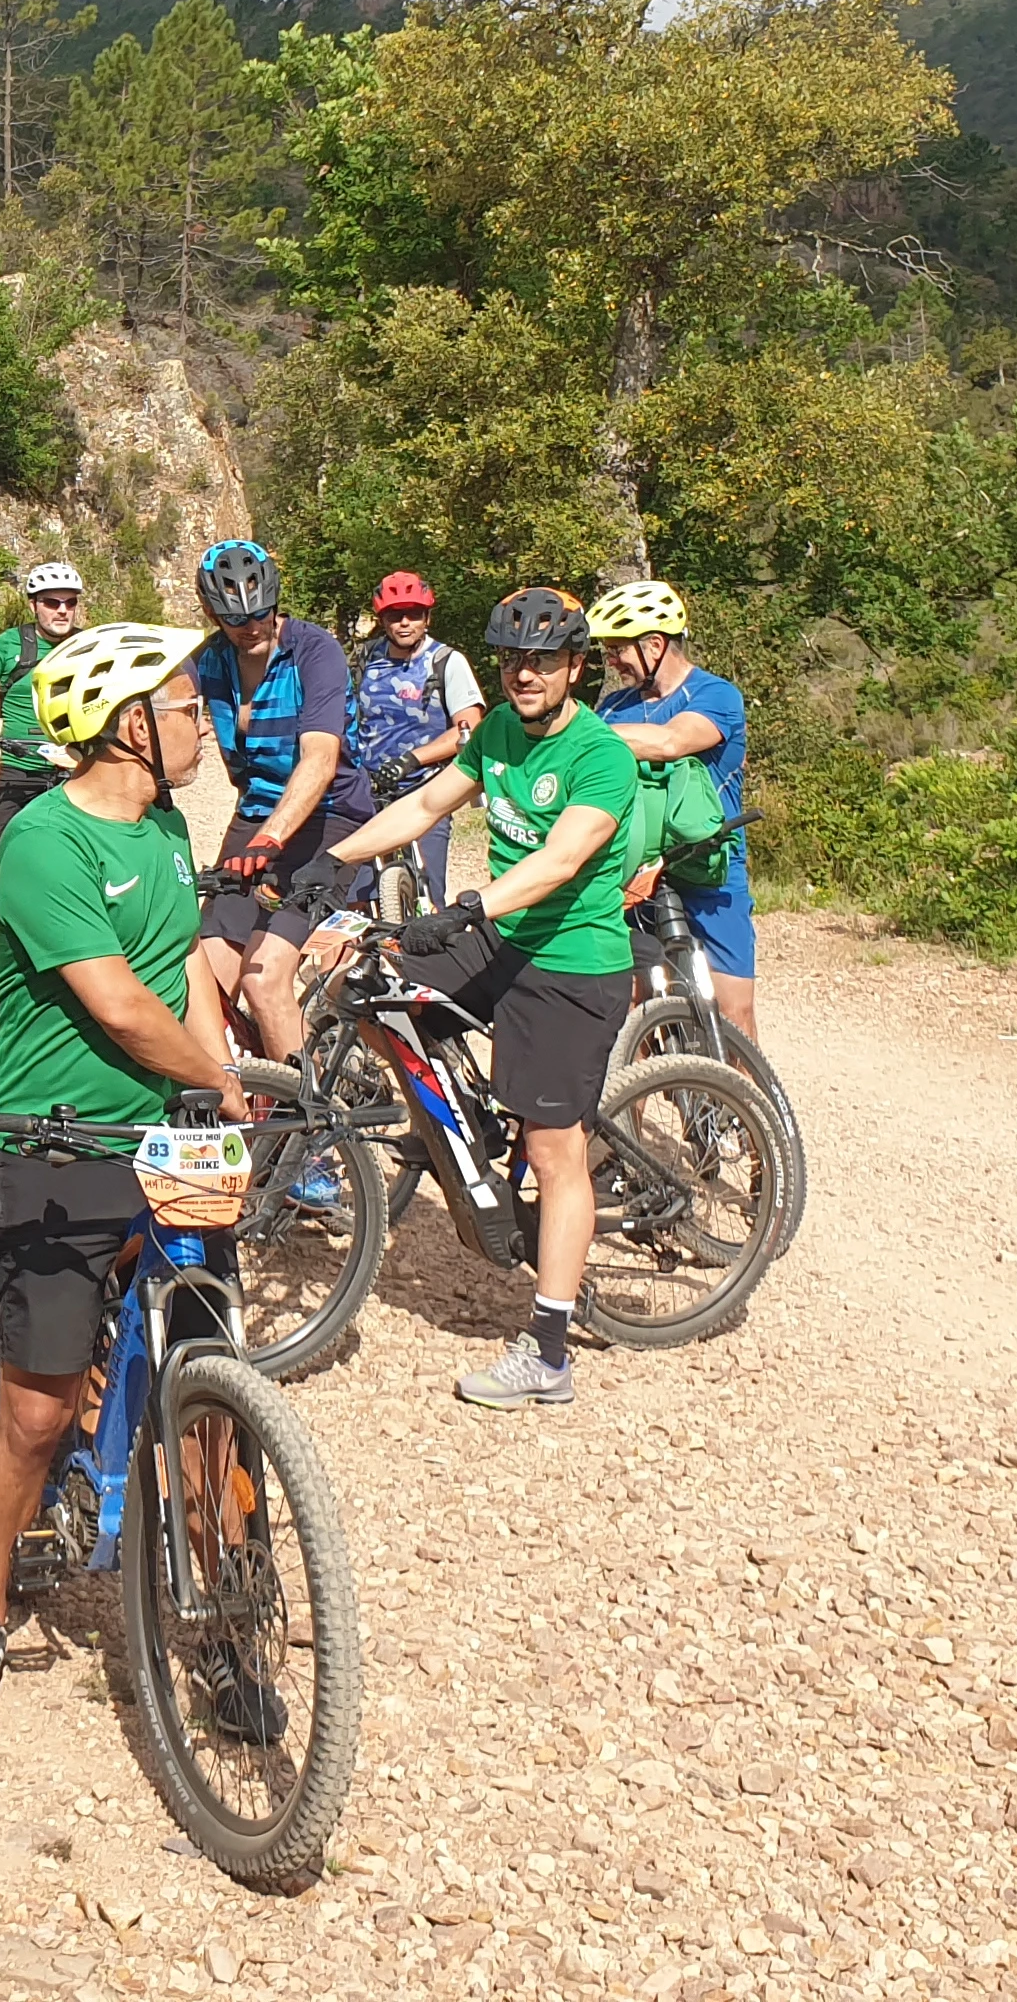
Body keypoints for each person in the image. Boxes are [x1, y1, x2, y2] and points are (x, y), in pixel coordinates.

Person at [0, 620, 249, 1731]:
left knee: (211, 1397)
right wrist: (212, 1071)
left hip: (170, 1142)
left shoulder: (165, 826)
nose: (201, 723)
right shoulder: (44, 843)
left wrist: (229, 1082)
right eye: (183, 710)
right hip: (57, 1144)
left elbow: (182, 976)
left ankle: (221, 1617)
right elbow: (114, 1000)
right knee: (36, 1408)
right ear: (128, 726)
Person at [310, 584, 641, 1413]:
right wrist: (332, 862)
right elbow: (426, 803)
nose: (524, 672)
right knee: (372, 989)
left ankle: (550, 1349)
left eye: (542, 660)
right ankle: (457, 1119)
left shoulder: (601, 755)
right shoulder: (495, 729)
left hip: (573, 961)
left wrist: (464, 910)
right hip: (505, 936)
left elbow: (560, 862)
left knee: (554, 1150)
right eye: (511, 659)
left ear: (575, 666)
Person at [182, 539, 360, 1063]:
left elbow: (320, 761)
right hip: (257, 814)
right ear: (212, 613)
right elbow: (165, 720)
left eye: (260, 613)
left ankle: (312, 1136)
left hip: (330, 819)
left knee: (264, 980)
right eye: (233, 617)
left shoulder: (314, 650)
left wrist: (271, 839)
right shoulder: (209, 661)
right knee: (203, 982)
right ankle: (231, 1104)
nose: (250, 626)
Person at [586, 578, 756, 1042]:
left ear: (655, 645)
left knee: (733, 1011)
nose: (612, 661)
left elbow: (671, 742)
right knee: (630, 1010)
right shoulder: (614, 707)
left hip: (710, 865)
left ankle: (745, 1111)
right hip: (635, 872)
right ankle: (626, 1112)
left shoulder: (715, 695)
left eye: (618, 649)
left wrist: (577, 734)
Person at [0, 559, 86, 1005]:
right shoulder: (13, 645)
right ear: (33, 605)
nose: (62, 611)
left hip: (74, 771)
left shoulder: (89, 647)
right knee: (0, 867)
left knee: (78, 868)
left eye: (70, 603)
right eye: (52, 602)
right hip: (19, 769)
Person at [348, 572, 485, 909]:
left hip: (426, 791)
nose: (405, 622)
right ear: (383, 620)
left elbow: (468, 728)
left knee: (428, 895)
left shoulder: (446, 662)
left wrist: (412, 760)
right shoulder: (364, 660)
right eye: (395, 615)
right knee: (356, 894)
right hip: (370, 789)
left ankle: (427, 957)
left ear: (427, 617)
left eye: (413, 613)